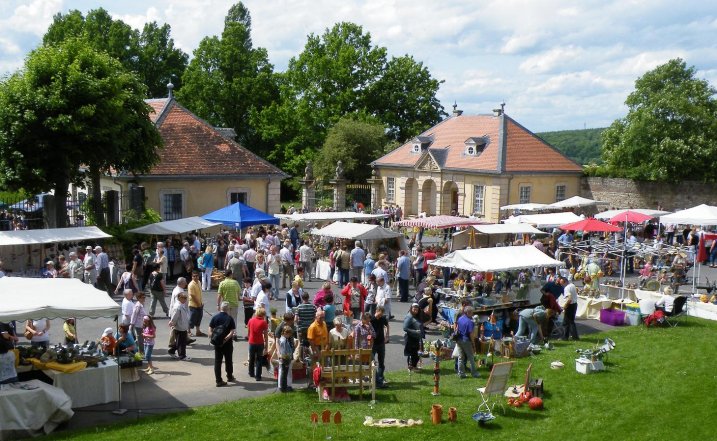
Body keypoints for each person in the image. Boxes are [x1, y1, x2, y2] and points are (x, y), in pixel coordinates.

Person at [210, 301, 237, 387]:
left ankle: (218, 380)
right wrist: (225, 339)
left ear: (221, 308)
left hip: (217, 343)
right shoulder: (230, 318)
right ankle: (229, 376)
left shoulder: (215, 317)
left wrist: (213, 338)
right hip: (227, 344)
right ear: (228, 309)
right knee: (228, 360)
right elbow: (232, 332)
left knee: (218, 362)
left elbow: (210, 330)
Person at [455, 306, 479, 378]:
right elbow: (471, 334)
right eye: (472, 312)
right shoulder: (470, 322)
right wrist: (473, 344)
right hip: (466, 341)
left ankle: (461, 374)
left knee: (460, 357)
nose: (472, 314)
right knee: (471, 358)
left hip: (459, 339)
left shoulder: (460, 318)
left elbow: (457, 328)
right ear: (468, 312)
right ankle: (474, 373)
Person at [247, 307, 269, 381]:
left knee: (251, 358)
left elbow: (249, 332)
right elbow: (266, 335)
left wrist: (249, 339)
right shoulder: (263, 322)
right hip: (260, 342)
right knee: (259, 359)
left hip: (252, 342)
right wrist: (266, 345)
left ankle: (251, 372)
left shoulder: (251, 320)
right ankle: (258, 376)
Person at [370, 306, 390, 388]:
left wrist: (387, 336)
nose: (380, 316)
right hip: (373, 344)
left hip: (381, 343)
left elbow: (387, 325)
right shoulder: (371, 319)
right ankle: (376, 380)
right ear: (376, 311)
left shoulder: (383, 318)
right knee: (372, 363)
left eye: (381, 315)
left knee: (381, 363)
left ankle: (380, 379)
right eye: (379, 314)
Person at [169, 292, 191, 360]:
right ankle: (182, 355)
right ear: (179, 298)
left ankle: (172, 351)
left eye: (186, 298)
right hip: (179, 326)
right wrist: (172, 323)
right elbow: (175, 316)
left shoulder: (182, 304)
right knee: (182, 342)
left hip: (183, 325)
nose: (185, 299)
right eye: (183, 298)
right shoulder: (178, 306)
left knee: (181, 341)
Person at [217, 270, 241, 334]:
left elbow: (219, 295)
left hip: (225, 304)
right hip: (234, 303)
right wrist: (238, 298)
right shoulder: (235, 282)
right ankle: (234, 333)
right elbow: (239, 293)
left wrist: (218, 305)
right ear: (230, 275)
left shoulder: (222, 283)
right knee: (234, 319)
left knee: (225, 319)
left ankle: (226, 332)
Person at [558, 276, 579, 341]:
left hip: (570, 305)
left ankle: (565, 337)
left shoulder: (566, 288)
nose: (561, 285)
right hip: (574, 304)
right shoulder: (572, 285)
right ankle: (575, 337)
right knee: (571, 322)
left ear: (565, 282)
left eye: (562, 283)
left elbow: (569, 299)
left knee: (566, 322)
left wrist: (565, 306)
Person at [403, 303, 422, 371]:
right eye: (414, 309)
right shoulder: (409, 317)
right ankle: (410, 367)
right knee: (411, 354)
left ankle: (414, 366)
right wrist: (415, 331)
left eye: (417, 309)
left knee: (416, 354)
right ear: (411, 309)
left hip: (416, 338)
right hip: (410, 338)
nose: (415, 310)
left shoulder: (416, 315)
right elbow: (405, 328)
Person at [188, 271, 206, 337]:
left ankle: (198, 331)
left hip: (200, 304)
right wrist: (198, 303)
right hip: (193, 305)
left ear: (198, 276)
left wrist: (201, 303)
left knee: (199, 318)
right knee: (192, 319)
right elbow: (192, 296)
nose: (195, 277)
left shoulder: (199, 282)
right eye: (194, 276)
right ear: (192, 277)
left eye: (196, 276)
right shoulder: (191, 285)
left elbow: (200, 294)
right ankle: (188, 331)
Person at [277, 326, 295, 393]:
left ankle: (283, 386)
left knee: (285, 373)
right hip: (285, 359)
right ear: (284, 333)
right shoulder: (284, 341)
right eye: (288, 333)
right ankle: (283, 387)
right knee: (284, 374)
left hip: (286, 358)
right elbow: (284, 351)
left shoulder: (285, 339)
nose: (289, 335)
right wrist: (286, 359)